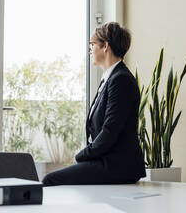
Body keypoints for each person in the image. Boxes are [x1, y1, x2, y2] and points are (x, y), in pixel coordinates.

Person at [42, 22, 145, 186]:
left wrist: (82, 156)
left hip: (118, 165)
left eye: (92, 44)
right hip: (107, 161)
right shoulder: (111, 78)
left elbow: (109, 131)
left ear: (105, 46)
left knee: (50, 179)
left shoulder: (121, 80)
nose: (90, 49)